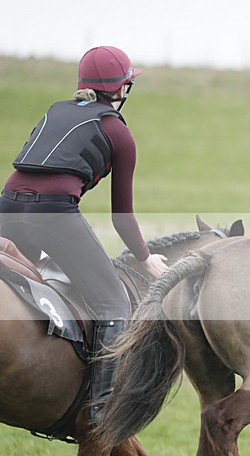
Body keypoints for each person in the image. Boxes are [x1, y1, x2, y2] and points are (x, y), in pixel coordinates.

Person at [0, 45, 169, 423]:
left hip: (7, 205)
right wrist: (145, 258)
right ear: (122, 89)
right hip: (52, 214)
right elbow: (121, 217)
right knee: (114, 304)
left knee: (27, 278)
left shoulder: (54, 111)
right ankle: (100, 406)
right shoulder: (117, 131)